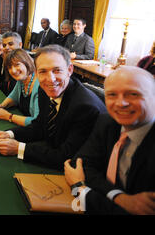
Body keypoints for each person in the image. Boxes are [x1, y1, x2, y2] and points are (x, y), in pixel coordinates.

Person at [0, 44, 106, 170]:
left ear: (69, 70)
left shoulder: (85, 107)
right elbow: (40, 126)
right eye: (43, 71)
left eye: (57, 70)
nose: (50, 79)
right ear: (36, 72)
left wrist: (19, 148)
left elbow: (66, 157)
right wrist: (10, 134)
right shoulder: (44, 90)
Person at [64, 66, 155, 214]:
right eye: (112, 94)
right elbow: (81, 164)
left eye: (133, 94)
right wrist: (120, 197)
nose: (121, 103)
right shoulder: (108, 121)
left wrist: (79, 188)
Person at [0, 49, 40, 127]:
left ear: (27, 63)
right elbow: (13, 98)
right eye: (10, 67)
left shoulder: (40, 86)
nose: (13, 70)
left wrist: (8, 116)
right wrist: (1, 106)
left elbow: (37, 122)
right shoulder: (21, 80)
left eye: (17, 64)